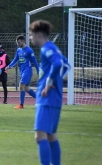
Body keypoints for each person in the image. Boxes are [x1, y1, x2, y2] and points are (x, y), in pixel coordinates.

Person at [29, 20, 70, 165]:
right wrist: (55, 79)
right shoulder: (53, 47)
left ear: (39, 35)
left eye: (31, 35)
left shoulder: (46, 48)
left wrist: (49, 82)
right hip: (55, 98)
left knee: (40, 137)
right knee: (51, 136)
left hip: (46, 98)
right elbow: (66, 64)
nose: (30, 38)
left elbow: (59, 64)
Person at [6, 35, 39, 109]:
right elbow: (15, 60)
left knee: (21, 85)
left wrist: (38, 71)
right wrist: (9, 66)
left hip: (28, 71)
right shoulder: (19, 50)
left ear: (23, 41)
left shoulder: (29, 50)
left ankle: (21, 105)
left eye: (19, 42)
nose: (18, 44)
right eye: (17, 43)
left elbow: (35, 62)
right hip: (22, 71)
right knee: (26, 88)